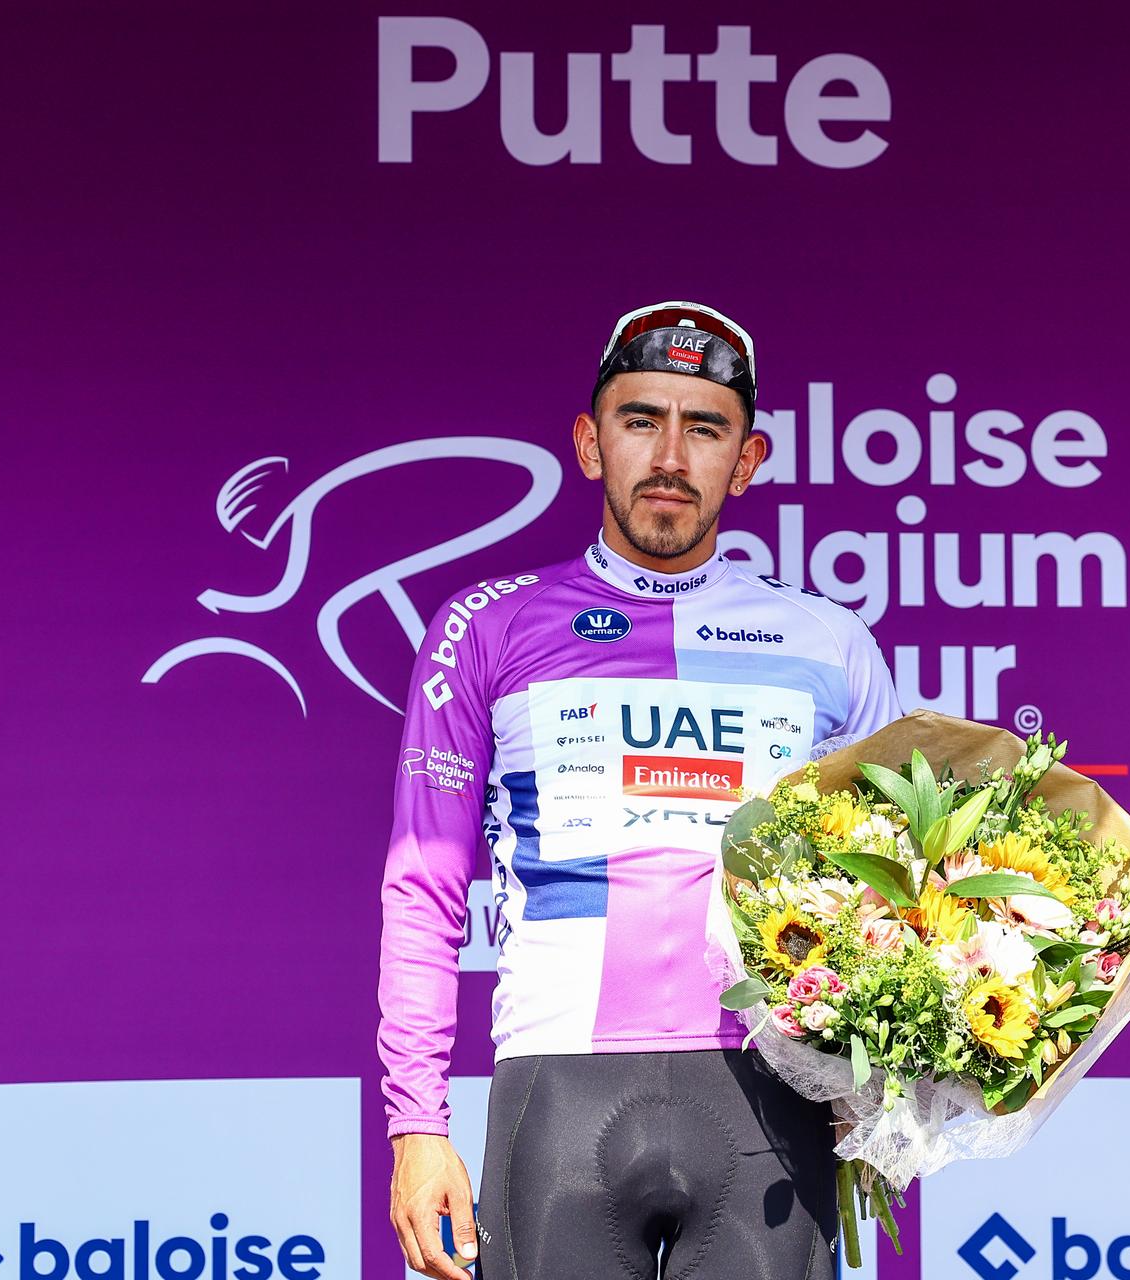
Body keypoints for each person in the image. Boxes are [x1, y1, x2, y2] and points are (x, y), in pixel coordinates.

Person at [379, 301, 901, 1280]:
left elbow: (895, 900)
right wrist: (417, 1125)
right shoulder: (484, 629)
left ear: (746, 460)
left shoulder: (831, 645)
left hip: (770, 1102)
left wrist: (888, 1089)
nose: (669, 452)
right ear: (588, 441)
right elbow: (424, 889)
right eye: (639, 419)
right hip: (557, 1094)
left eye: (704, 427)